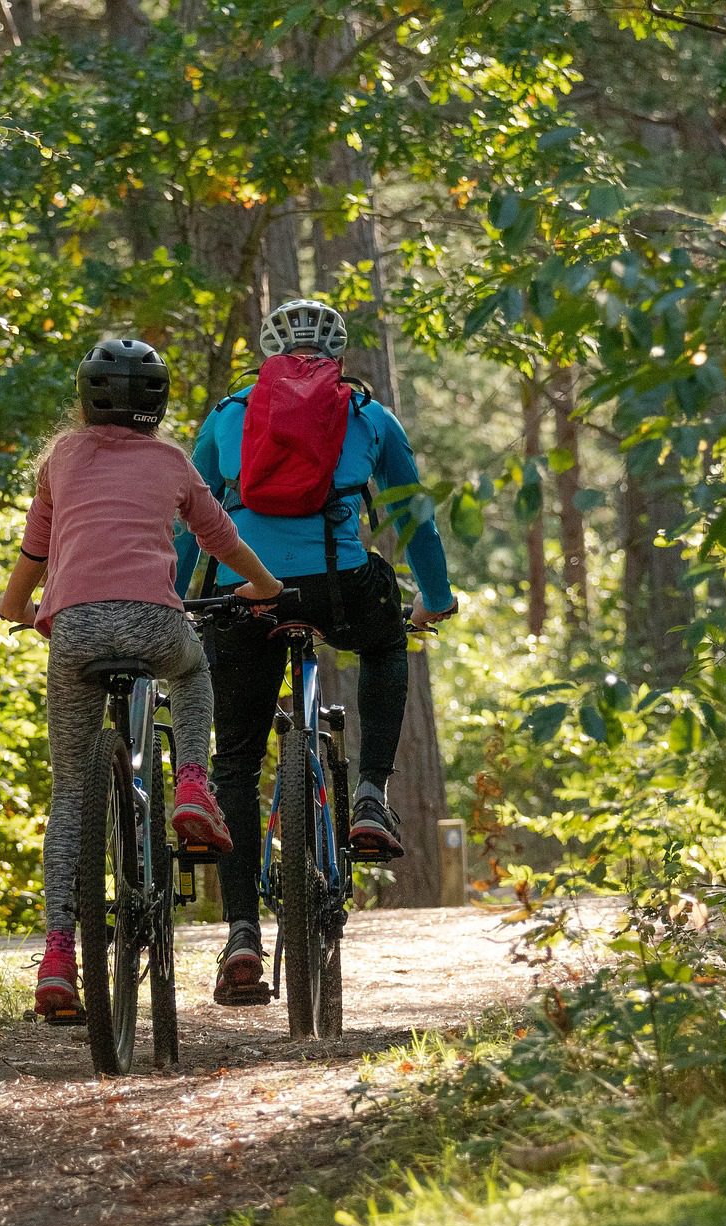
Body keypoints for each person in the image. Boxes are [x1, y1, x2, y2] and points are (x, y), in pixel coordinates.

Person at [174, 298, 456, 1006]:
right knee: (387, 646)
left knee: (235, 760)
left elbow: (188, 517)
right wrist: (437, 595)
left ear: (268, 351)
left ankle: (241, 933)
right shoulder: (367, 415)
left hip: (244, 592)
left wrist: (176, 595)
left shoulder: (229, 414)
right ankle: (369, 795)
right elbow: (413, 515)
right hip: (340, 587)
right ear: (338, 352)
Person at [0, 338, 283, 1020]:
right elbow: (220, 539)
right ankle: (191, 783)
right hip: (158, 626)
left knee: (70, 794)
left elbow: (35, 551)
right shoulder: (173, 463)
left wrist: (17, 609)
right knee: (193, 671)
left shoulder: (61, 460)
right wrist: (265, 587)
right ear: (157, 406)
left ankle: (59, 956)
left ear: (85, 397)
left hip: (75, 632)